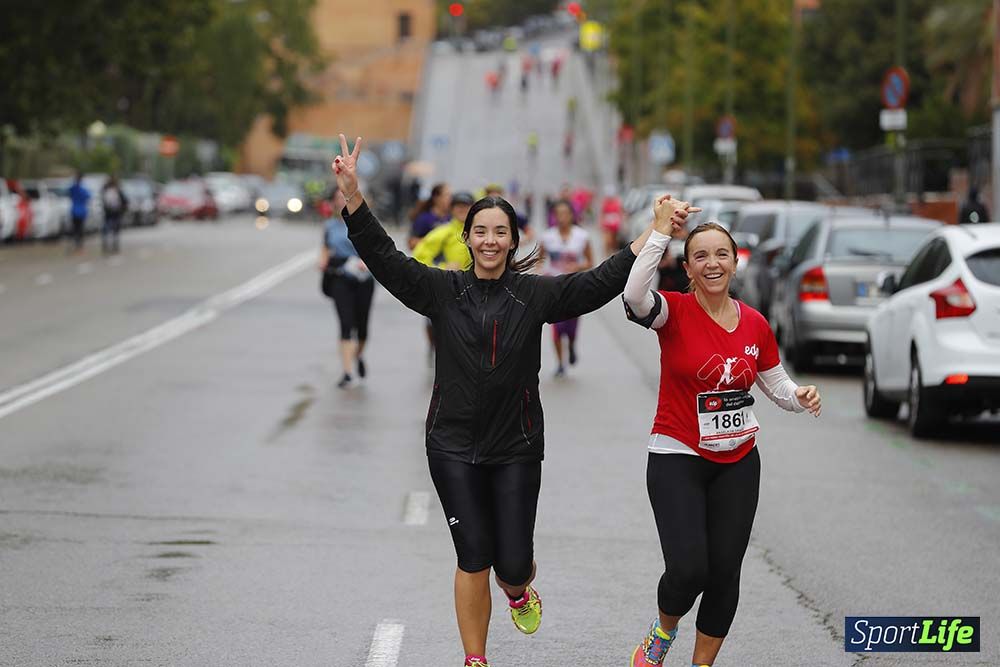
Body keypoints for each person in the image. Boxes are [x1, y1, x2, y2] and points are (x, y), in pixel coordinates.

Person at [333, 134, 652, 667]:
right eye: (480, 231)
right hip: (451, 445)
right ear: (467, 238)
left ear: (512, 240)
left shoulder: (536, 295)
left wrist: (653, 235)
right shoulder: (441, 290)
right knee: (472, 555)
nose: (489, 240)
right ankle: (475, 659)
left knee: (512, 562)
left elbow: (598, 283)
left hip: (516, 447)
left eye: (499, 232)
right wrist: (352, 196)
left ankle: (518, 588)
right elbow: (385, 259)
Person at [621, 197, 823, 667]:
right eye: (701, 256)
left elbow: (777, 385)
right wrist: (661, 232)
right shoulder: (671, 312)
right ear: (688, 268)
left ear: (735, 262)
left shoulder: (754, 323)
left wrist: (801, 396)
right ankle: (663, 632)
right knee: (689, 568)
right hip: (677, 455)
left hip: (738, 461)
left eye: (721, 255)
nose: (712, 263)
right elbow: (633, 296)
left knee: (725, 573)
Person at [320, 188, 375, 389]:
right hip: (340, 277)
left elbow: (378, 251)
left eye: (344, 198)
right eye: (337, 199)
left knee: (362, 329)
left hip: (363, 279)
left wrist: (365, 262)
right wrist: (323, 261)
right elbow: (325, 248)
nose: (341, 202)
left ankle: (358, 355)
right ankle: (347, 372)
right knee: (345, 323)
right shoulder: (330, 226)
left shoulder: (367, 225)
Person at [537, 200, 592, 377]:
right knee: (556, 327)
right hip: (554, 288)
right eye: (558, 214)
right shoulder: (547, 237)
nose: (562, 217)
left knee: (571, 327)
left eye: (565, 213)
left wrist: (578, 267)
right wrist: (540, 274)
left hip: (574, 287)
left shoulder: (582, 236)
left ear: (571, 215)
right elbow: (539, 260)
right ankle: (560, 363)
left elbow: (591, 262)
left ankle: (572, 344)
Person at [413, 191, 475, 270]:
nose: (462, 209)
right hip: (454, 280)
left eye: (466, 206)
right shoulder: (443, 232)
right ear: (452, 210)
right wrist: (442, 269)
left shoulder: (482, 231)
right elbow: (419, 258)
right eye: (459, 206)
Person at [409, 183, 452, 250]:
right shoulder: (424, 219)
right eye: (446, 195)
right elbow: (411, 244)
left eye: (451, 196)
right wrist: (434, 241)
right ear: (436, 198)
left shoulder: (453, 218)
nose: (450, 199)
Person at [101, 175, 128, 255]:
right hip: (115, 212)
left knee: (107, 228)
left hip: (109, 212)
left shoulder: (106, 189)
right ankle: (114, 245)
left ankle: (107, 244)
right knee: (115, 229)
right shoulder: (117, 190)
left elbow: (103, 200)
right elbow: (124, 201)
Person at [68, 173, 90, 254]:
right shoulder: (82, 189)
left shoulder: (73, 188)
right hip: (81, 212)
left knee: (75, 229)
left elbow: (69, 193)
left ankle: (76, 246)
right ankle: (79, 247)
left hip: (74, 211)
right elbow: (88, 196)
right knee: (80, 230)